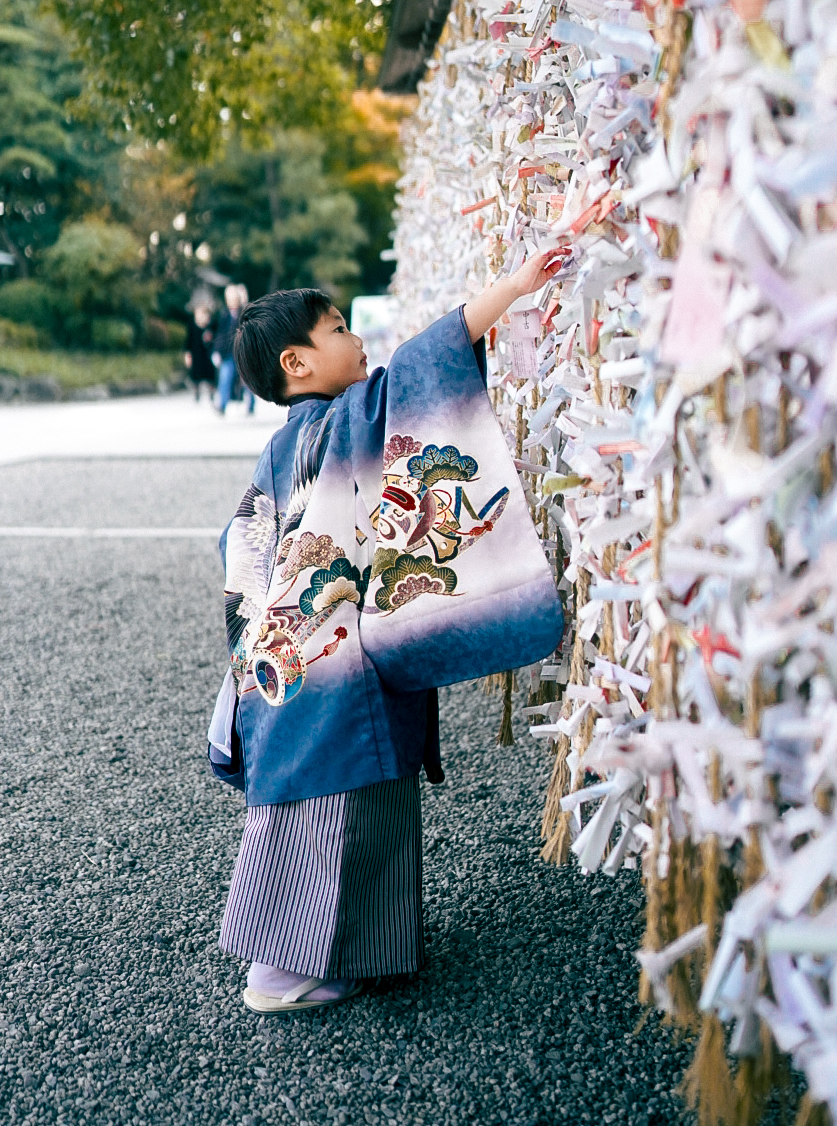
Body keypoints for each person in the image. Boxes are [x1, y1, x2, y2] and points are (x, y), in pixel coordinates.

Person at [209, 247, 567, 1013]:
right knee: (340, 810)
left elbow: (238, 544)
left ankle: (348, 955)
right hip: (333, 664)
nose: (357, 338)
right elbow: (420, 366)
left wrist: (250, 643)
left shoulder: (282, 447)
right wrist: (515, 285)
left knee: (327, 806)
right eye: (339, 328)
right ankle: (284, 973)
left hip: (284, 663)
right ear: (298, 363)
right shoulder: (346, 421)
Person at [212, 283, 255, 415]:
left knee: (248, 380)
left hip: (242, 352)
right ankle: (222, 405)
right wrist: (216, 351)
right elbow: (220, 335)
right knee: (225, 377)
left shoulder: (245, 312)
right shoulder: (224, 314)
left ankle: (250, 404)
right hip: (228, 353)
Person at [184, 299, 218, 402]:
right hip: (196, 354)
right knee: (196, 375)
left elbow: (216, 338)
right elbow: (188, 341)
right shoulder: (192, 324)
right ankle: (196, 392)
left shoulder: (211, 324)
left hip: (208, 354)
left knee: (209, 374)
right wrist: (187, 354)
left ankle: (211, 391)